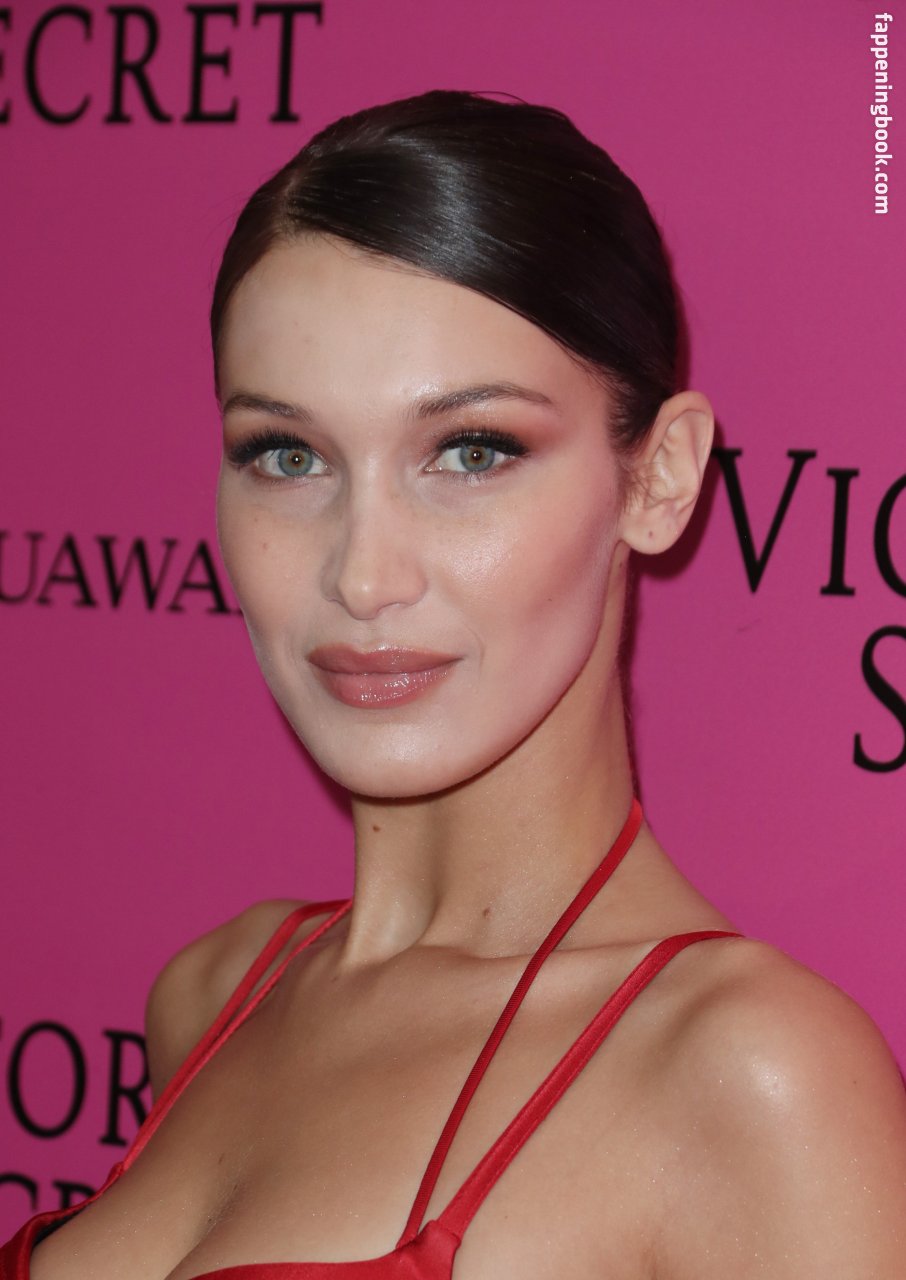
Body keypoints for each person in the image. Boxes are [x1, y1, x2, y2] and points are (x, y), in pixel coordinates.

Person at [9, 89, 906, 1280]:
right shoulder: (214, 994)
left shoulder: (749, 1075)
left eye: (471, 451)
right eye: (287, 454)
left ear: (659, 478)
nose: (361, 574)